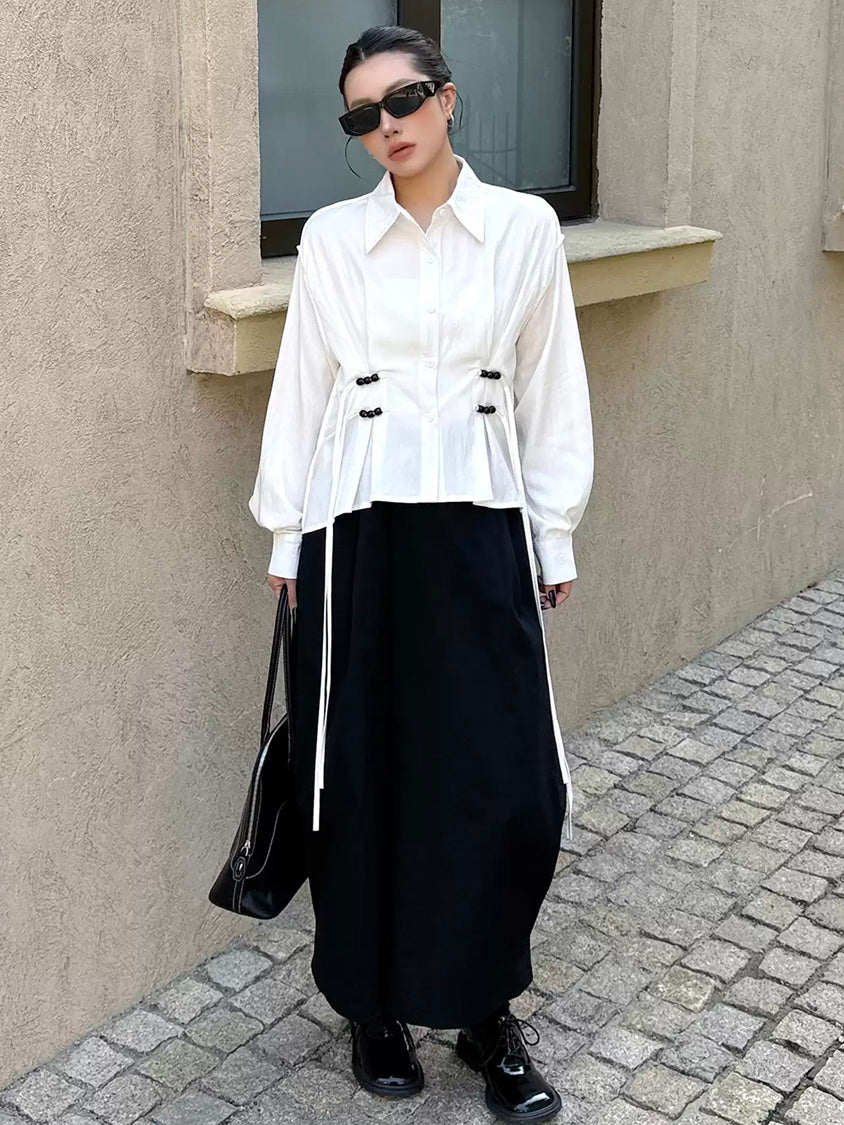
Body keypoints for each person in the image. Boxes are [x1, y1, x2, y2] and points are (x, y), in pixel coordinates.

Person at [247, 24, 594, 1123]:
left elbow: (550, 386)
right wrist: (286, 536)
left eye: (402, 100)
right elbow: (302, 388)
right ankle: (373, 1005)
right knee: (357, 776)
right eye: (363, 115)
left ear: (446, 99)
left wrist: (553, 535)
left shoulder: (523, 229)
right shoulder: (334, 240)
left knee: (504, 783)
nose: (386, 126)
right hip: (355, 532)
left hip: (483, 525)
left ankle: (485, 1011)